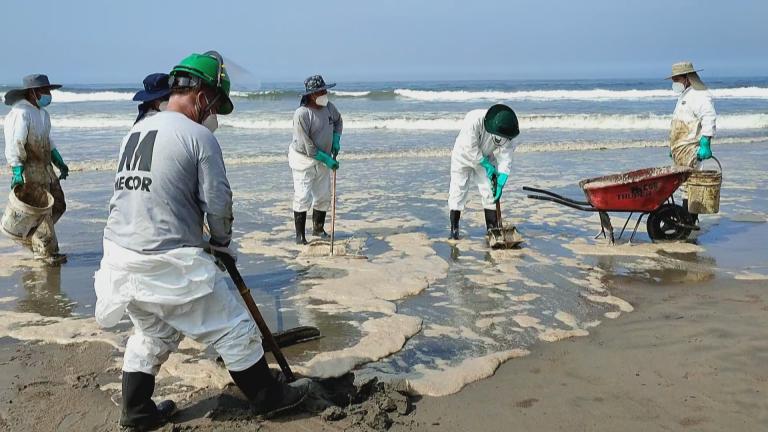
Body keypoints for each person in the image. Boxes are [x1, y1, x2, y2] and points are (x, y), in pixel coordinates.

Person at [93, 51, 310, 431]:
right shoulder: (197, 136)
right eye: (215, 105)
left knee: (152, 332)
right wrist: (223, 243)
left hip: (119, 257)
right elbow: (219, 204)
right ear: (201, 95)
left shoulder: (137, 130)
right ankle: (267, 398)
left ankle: (137, 410)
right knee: (233, 327)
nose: (214, 116)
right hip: (165, 262)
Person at [3, 74, 68, 264]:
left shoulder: (42, 114)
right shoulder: (21, 113)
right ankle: (46, 253)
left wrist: (59, 161)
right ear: (33, 92)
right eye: (45, 91)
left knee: (58, 205)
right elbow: (16, 143)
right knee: (42, 211)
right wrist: (17, 171)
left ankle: (31, 237)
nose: (48, 94)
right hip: (29, 169)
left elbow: (48, 140)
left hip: (45, 167)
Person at [448, 104, 519, 240]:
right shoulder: (474, 120)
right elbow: (470, 147)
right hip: (463, 156)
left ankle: (492, 231)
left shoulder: (508, 130)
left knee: (490, 191)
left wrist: (502, 177)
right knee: (458, 190)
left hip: (486, 156)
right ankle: (454, 230)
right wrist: (486, 165)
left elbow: (506, 155)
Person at [288, 75, 343, 245]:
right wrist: (326, 158)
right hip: (303, 160)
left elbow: (338, 121)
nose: (326, 93)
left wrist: (336, 139)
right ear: (312, 94)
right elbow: (308, 146)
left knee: (323, 195)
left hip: (324, 159)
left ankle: (318, 230)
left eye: (325, 90)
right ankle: (300, 236)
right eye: (322, 91)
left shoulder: (328, 107)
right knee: (303, 196)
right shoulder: (302, 114)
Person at [666, 61, 717, 221]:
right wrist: (672, 146)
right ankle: (686, 219)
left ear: (687, 77)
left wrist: (705, 143)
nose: (675, 83)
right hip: (680, 150)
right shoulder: (685, 95)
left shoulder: (699, 95)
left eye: (677, 79)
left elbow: (709, 117)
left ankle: (689, 221)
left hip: (691, 149)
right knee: (685, 186)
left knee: (690, 185)